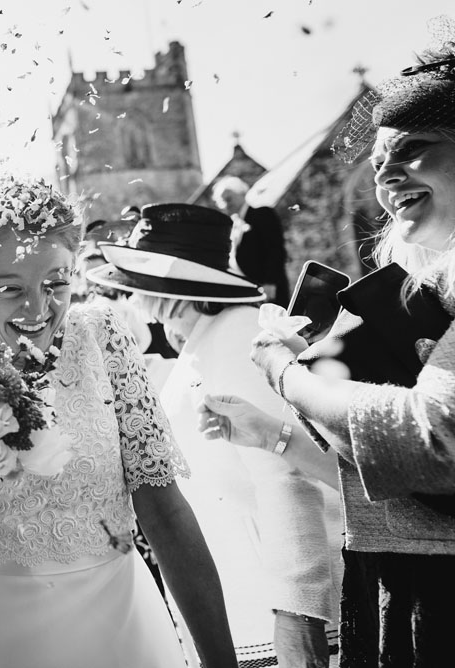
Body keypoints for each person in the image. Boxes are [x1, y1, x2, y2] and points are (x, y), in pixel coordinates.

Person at [0, 180, 237, 668]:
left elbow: (164, 512)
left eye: (56, 284)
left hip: (116, 625)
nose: (38, 310)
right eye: (9, 290)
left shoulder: (103, 339)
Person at [209, 29, 455, 667]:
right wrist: (281, 421)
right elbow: (391, 479)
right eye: (377, 165)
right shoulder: (426, 290)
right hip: (404, 584)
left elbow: (429, 440)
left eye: (415, 150)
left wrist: (286, 372)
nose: (386, 177)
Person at [89, 203, 343, 668]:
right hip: (242, 607)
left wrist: (298, 611)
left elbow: (287, 476)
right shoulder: (204, 343)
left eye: (138, 284)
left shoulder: (238, 337)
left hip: (279, 618)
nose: (132, 298)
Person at [212, 176, 290, 307]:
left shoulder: (262, 214)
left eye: (229, 198)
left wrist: (270, 283)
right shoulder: (232, 227)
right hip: (249, 292)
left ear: (241, 193)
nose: (226, 204)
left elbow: (275, 250)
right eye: (222, 201)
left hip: (269, 289)